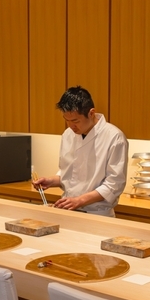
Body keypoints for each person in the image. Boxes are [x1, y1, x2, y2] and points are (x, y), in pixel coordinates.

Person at [31, 86, 128, 217]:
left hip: (97, 214)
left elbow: (114, 185)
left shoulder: (114, 137)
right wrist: (50, 181)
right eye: (66, 120)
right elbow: (70, 175)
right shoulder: (68, 134)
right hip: (69, 210)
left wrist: (79, 201)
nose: (71, 126)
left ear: (91, 113)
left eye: (75, 121)